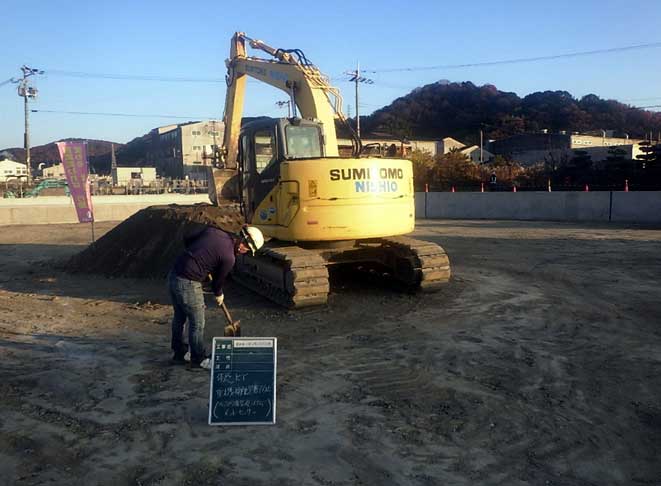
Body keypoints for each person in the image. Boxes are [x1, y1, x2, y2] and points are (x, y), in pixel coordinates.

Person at [167, 225, 265, 370]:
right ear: (243, 242)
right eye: (248, 250)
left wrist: (196, 255)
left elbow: (187, 236)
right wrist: (219, 294)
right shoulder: (229, 257)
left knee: (180, 317)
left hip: (174, 274)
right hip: (188, 282)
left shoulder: (214, 231)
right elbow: (218, 282)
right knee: (197, 321)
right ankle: (198, 359)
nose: (246, 252)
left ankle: (179, 354)